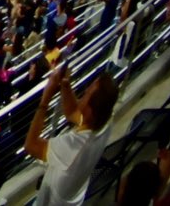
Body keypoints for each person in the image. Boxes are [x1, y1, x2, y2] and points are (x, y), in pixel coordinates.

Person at [26, 65, 117, 206]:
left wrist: (45, 99)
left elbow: (31, 145)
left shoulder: (73, 146)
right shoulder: (105, 120)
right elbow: (73, 113)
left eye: (87, 94)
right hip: (74, 198)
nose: (85, 91)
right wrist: (65, 84)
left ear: (91, 111)